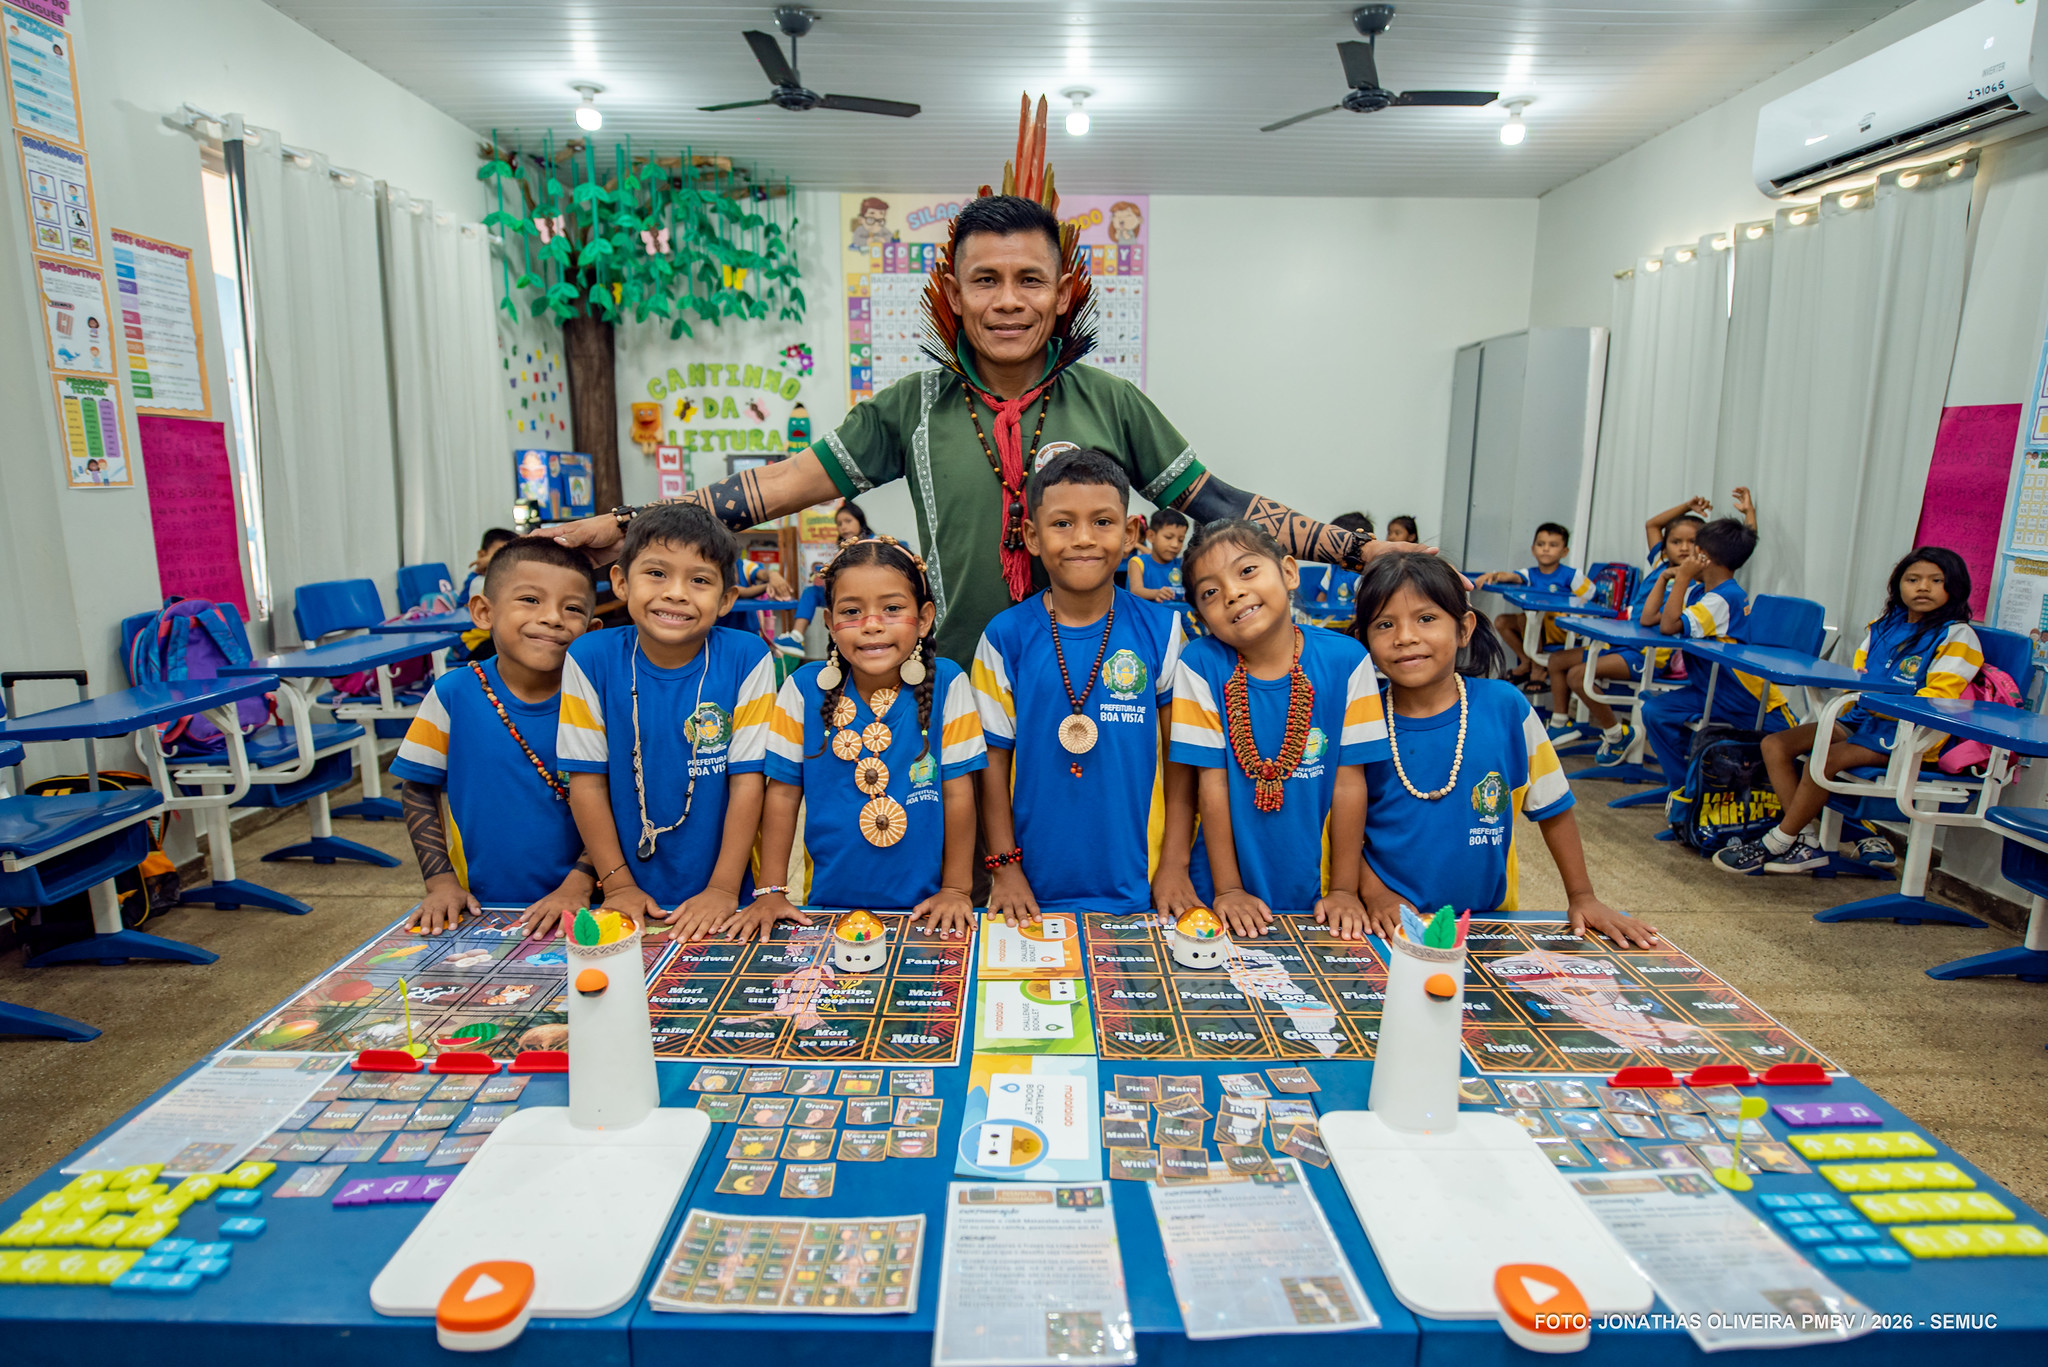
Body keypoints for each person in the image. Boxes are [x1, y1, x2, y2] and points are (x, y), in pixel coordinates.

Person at [542, 136, 1417, 669]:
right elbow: (768, 490)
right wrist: (630, 521)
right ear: (954, 294)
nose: (1008, 300)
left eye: (1029, 280)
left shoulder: (1111, 400)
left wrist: (1357, 548)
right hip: (957, 683)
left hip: (1103, 681)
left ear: (1062, 294)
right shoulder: (911, 407)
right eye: (985, 280)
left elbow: (1219, 505)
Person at [1351, 554, 1658, 945]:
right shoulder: (1362, 718)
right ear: (1365, 640)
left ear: (1464, 628)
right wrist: (1376, 894)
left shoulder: (1506, 707)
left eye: (1426, 619)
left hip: (1486, 925)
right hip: (1387, 923)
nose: (1405, 636)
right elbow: (1341, 829)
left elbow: (1554, 806)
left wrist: (1582, 896)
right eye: (1385, 624)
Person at [734, 537, 986, 939]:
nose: (872, 624)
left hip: (924, 910)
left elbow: (958, 792)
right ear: (830, 623)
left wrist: (957, 889)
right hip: (826, 907)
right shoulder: (801, 689)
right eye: (852, 611)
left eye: (892, 609)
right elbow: (781, 794)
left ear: (923, 619)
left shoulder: (949, 683)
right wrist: (770, 892)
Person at [972, 449, 1186, 922]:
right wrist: (1004, 868)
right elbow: (991, 764)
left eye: (1103, 522)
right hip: (1029, 890)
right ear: (1031, 536)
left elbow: (1181, 759)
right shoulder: (1004, 637)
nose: (1083, 539)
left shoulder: (1163, 631)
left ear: (1131, 534)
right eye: (1063, 523)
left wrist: (1174, 863)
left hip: (1140, 883)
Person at [557, 504, 777, 938]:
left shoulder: (747, 658)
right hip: (623, 891)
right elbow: (585, 782)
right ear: (621, 581)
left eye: (699, 580)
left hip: (728, 895)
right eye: (656, 573)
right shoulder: (589, 657)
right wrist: (617, 885)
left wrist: (722, 887)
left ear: (727, 599)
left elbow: (748, 781)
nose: (676, 593)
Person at [1170, 518, 1387, 938]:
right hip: (1218, 891)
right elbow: (1211, 786)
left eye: (1247, 571)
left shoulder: (1347, 660)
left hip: (1318, 891)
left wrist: (1344, 889)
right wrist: (1228, 888)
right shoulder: (1200, 664)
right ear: (1202, 617)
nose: (1233, 593)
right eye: (1211, 593)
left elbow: (1348, 783)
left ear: (1289, 572)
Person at [1714, 548, 1980, 875]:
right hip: (1861, 720)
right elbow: (1856, 681)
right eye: (1913, 580)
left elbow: (1938, 699)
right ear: (1899, 586)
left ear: (1954, 587)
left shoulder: (1957, 635)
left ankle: (1778, 841)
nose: (1923, 587)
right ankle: (1805, 840)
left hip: (1908, 736)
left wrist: (1875, 704)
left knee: (1823, 759)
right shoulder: (1881, 628)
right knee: (1775, 745)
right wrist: (1860, 701)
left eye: (1935, 581)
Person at [393, 540, 597, 937]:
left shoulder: (599, 700)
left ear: (591, 629)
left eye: (572, 608)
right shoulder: (453, 694)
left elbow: (621, 799)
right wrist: (440, 883)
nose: (553, 618)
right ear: (484, 612)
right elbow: (418, 789)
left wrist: (581, 882)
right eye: (530, 600)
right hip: (482, 908)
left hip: (587, 903)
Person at [1544, 496, 1712, 756]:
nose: (1684, 548)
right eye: (1676, 541)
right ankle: (1560, 723)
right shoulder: (1660, 566)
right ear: (1665, 547)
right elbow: (1652, 524)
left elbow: (1664, 619)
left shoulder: (1696, 585)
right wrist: (1688, 507)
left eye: (1692, 542)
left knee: (1578, 675)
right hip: (1622, 642)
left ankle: (1617, 734)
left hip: (1649, 655)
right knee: (1557, 661)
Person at [1637, 517, 1791, 789]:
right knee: (1654, 711)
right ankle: (1683, 790)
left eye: (1693, 549)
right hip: (1710, 691)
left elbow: (1668, 625)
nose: (1686, 555)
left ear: (1703, 557)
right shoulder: (1701, 592)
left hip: (1748, 698)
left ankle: (1699, 789)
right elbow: (1649, 618)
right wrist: (1664, 577)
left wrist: (1681, 576)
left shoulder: (1723, 598)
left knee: (1794, 756)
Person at [1474, 523, 1592, 693]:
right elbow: (1512, 577)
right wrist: (1494, 575)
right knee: (1502, 621)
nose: (1545, 549)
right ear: (1533, 549)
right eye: (1541, 544)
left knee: (1526, 618)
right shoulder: (1531, 574)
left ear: (1564, 551)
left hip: (1563, 629)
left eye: (1553, 545)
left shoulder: (1572, 575)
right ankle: (1526, 661)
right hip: (1538, 625)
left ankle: (1537, 670)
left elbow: (1591, 597)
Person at [1298, 512, 1371, 628]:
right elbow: (1322, 596)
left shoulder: (1359, 574)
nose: (1330, 547)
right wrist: (1319, 611)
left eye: (1333, 542)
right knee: (1300, 620)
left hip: (1349, 621)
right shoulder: (1333, 569)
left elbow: (1361, 602)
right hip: (1329, 618)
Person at [1127, 508, 1188, 603]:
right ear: (1151, 536)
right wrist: (1156, 593)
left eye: (1180, 540)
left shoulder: (1183, 564)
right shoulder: (1138, 562)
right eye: (1168, 537)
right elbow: (1136, 590)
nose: (1175, 545)